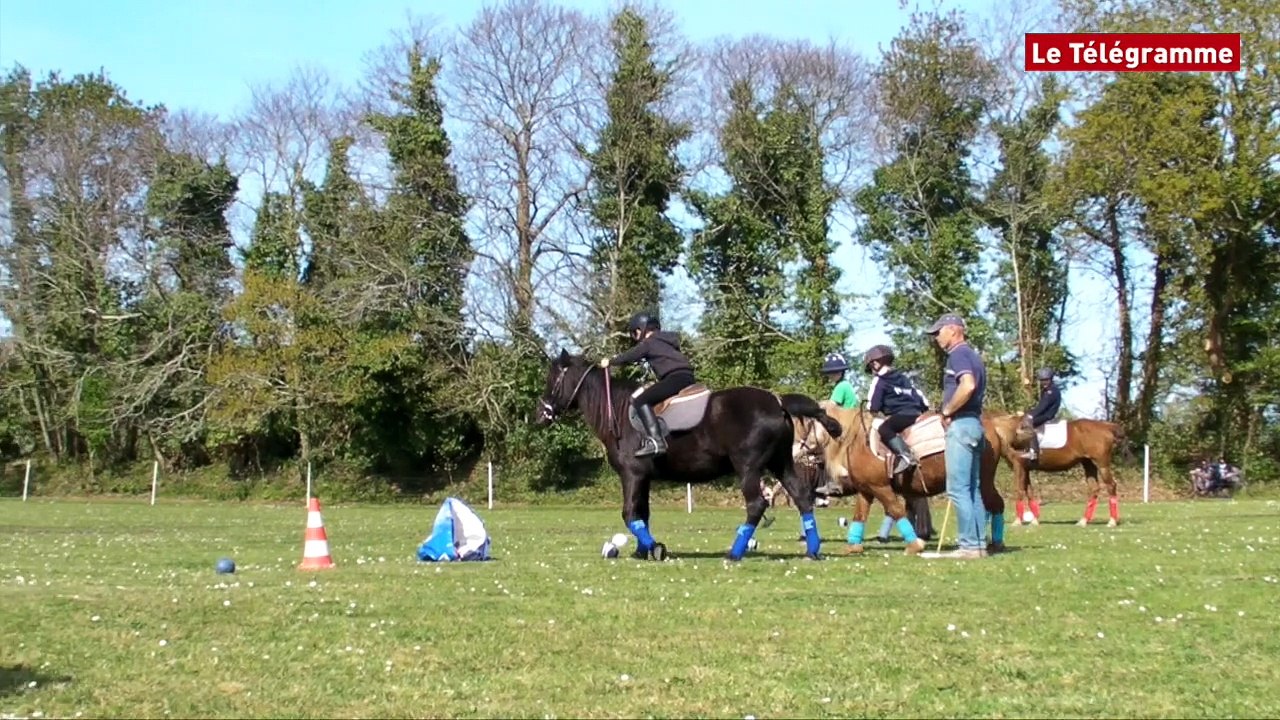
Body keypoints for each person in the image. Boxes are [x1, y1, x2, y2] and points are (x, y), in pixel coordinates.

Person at [926, 312, 997, 560]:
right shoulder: (974, 356)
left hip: (962, 425)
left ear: (954, 330)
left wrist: (947, 410)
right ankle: (977, 545)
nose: (936, 337)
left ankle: (968, 546)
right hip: (975, 424)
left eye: (939, 332)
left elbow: (967, 385)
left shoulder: (958, 354)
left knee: (957, 489)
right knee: (972, 488)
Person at [599, 311, 696, 458]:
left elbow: (630, 356)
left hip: (675, 378)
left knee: (641, 400)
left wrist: (611, 362)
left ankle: (656, 441)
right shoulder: (665, 340)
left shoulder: (649, 343)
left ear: (641, 329)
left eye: (635, 333)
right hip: (687, 376)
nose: (636, 337)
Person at [863, 344, 930, 475]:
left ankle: (905, 455)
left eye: (871, 367)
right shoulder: (904, 378)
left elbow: (873, 406)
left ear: (875, 364)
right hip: (917, 414)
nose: (872, 371)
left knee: (884, 428)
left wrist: (874, 412)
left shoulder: (880, 380)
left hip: (901, 416)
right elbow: (922, 399)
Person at [814, 352, 859, 496]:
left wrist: (815, 406)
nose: (831, 375)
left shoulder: (841, 387)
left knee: (826, 444)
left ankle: (836, 480)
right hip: (852, 420)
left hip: (848, 422)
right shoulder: (843, 385)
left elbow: (831, 406)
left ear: (841, 371)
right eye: (830, 372)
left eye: (834, 372)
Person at [1019, 367, 1062, 462]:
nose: (1044, 382)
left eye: (1046, 380)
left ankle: (1034, 451)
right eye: (1042, 380)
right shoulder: (1047, 390)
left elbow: (1043, 406)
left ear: (1051, 379)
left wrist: (1031, 415)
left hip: (1048, 416)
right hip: (1045, 414)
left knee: (1029, 423)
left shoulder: (1051, 391)